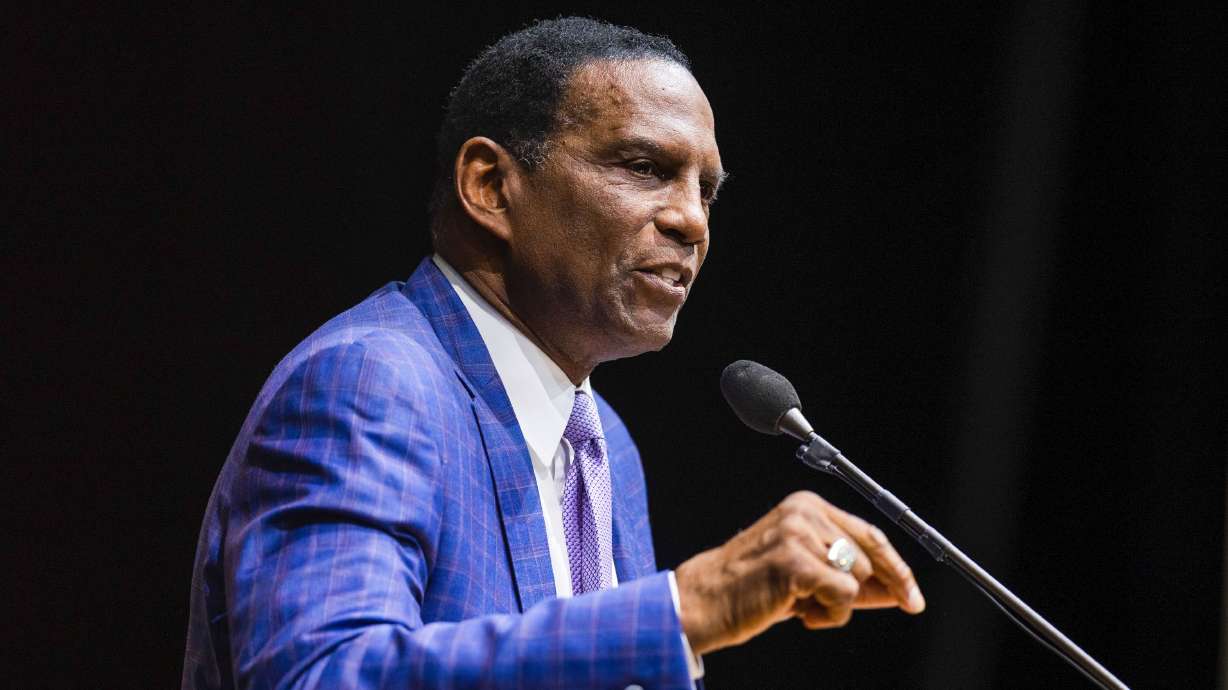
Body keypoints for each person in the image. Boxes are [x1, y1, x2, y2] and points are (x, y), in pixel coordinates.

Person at [182, 17, 925, 689]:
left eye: (707, 191)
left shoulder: (608, 451)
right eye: (644, 167)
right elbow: (323, 677)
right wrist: (687, 607)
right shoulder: (375, 381)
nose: (691, 221)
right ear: (491, 186)